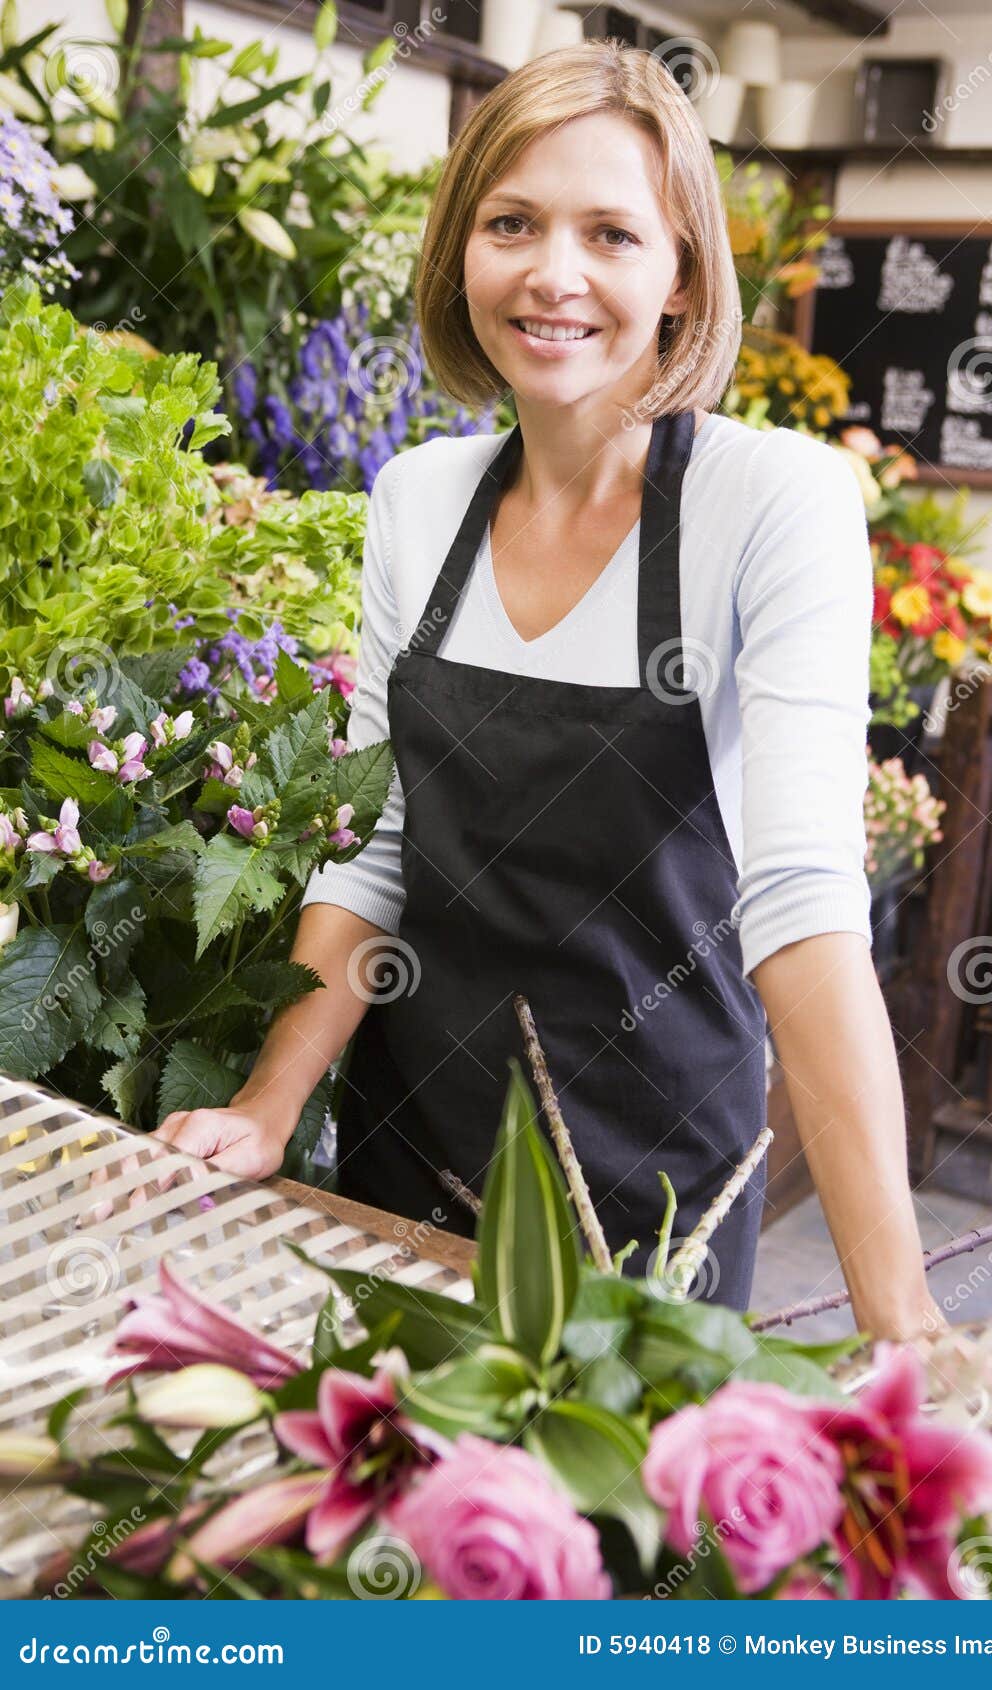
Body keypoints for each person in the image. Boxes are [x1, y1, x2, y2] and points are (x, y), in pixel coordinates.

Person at [152, 41, 947, 1337]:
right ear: (460, 250)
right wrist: (268, 1105)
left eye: (611, 233)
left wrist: (899, 1318)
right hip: (410, 1174)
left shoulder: (770, 504)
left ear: (683, 267)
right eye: (511, 223)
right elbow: (378, 842)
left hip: (653, 1199)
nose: (552, 273)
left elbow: (802, 910)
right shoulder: (422, 501)